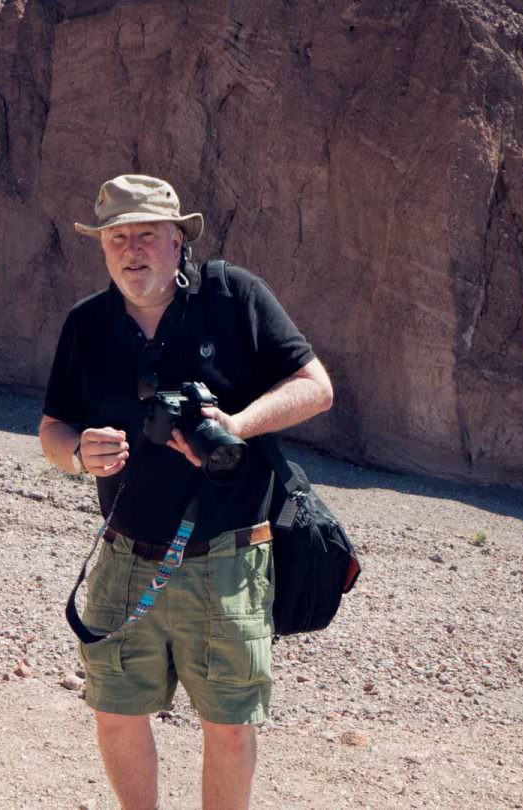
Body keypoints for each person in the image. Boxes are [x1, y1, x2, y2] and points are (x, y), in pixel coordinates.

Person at [39, 174, 333, 810]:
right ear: (103, 247)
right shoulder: (86, 325)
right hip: (122, 553)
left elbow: (316, 386)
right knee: (116, 711)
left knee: (229, 726)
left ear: (179, 242)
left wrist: (237, 424)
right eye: (117, 237)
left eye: (147, 234)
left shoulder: (234, 299)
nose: (131, 249)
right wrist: (74, 454)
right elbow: (52, 427)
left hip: (227, 555)